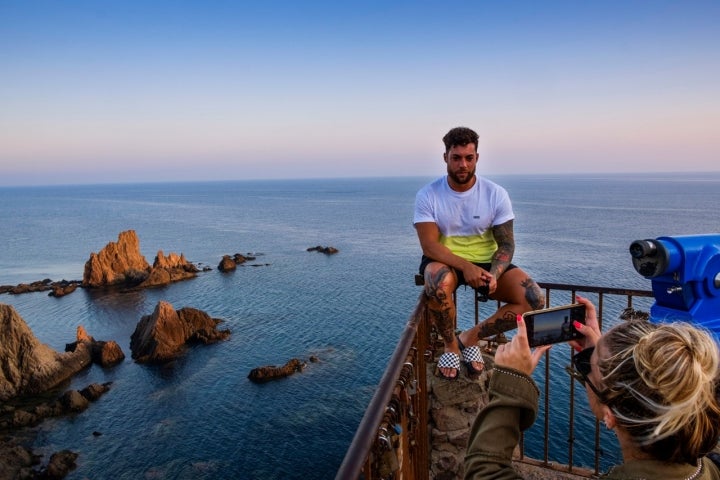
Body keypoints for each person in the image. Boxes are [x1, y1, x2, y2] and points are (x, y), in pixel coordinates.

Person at [464, 295, 720, 479]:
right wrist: (597, 359)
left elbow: (484, 471)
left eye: (593, 362)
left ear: (610, 415)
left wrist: (511, 381)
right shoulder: (708, 469)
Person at [414, 126, 545, 379]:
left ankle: (470, 338)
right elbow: (429, 246)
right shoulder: (428, 195)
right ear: (445, 158)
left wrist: (494, 273)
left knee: (534, 299)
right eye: (456, 158)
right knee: (438, 283)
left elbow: (506, 244)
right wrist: (466, 267)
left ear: (477, 158)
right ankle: (450, 345)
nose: (463, 164)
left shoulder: (495, 194)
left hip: (487, 261)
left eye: (469, 158)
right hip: (444, 259)